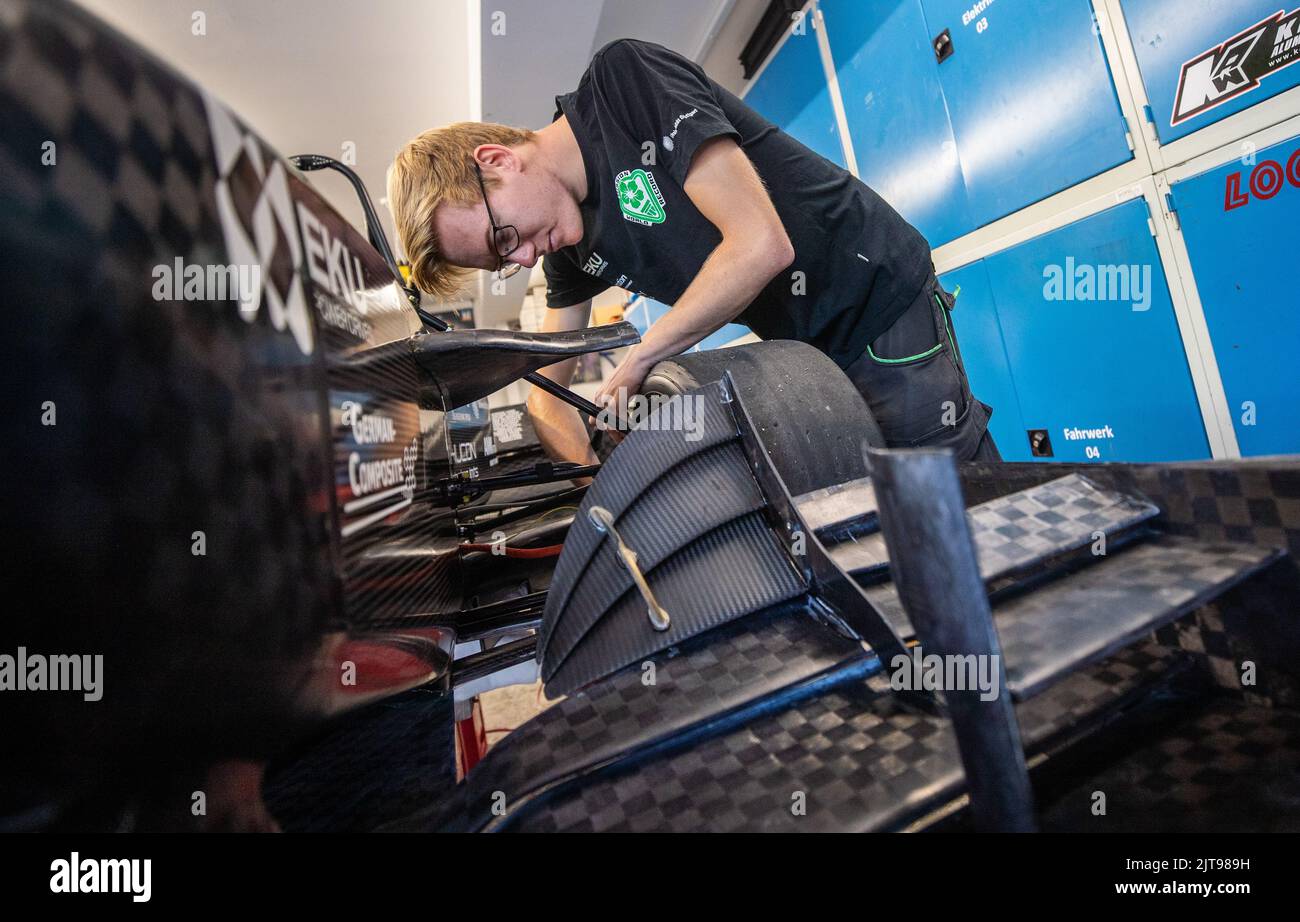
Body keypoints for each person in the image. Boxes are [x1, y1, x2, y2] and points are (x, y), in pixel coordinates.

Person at [388, 38, 999, 467]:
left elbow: (760, 245)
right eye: (503, 262)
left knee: (948, 501)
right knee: (880, 522)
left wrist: (638, 361)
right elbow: (549, 396)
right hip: (807, 353)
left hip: (876, 302)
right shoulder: (566, 248)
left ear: (496, 161)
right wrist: (607, 497)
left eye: (504, 238)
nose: (520, 260)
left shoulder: (623, 85)